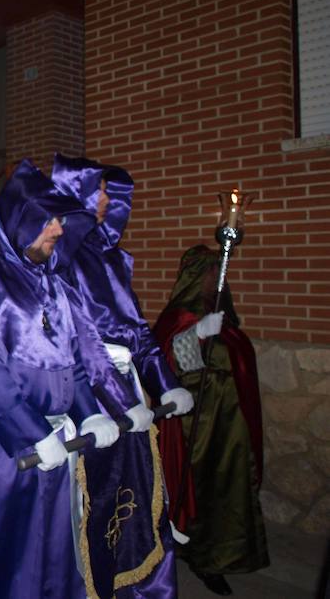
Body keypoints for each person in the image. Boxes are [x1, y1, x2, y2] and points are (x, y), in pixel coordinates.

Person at [0, 160, 144, 599]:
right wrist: (31, 433)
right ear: (19, 219)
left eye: (61, 219)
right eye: (49, 219)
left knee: (47, 554)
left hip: (52, 444)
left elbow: (77, 361)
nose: (59, 229)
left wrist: (88, 415)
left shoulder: (55, 285)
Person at [52, 154, 195, 598]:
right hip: (86, 394)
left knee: (139, 492)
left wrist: (165, 383)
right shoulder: (58, 258)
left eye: (109, 193)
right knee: (91, 504)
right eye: (98, 190)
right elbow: (78, 343)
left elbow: (136, 331)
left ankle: (138, 586)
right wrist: (114, 402)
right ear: (74, 192)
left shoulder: (110, 258)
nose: (106, 200)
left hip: (126, 387)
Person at [153, 245, 268, 595]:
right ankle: (199, 558)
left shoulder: (221, 317)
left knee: (226, 492)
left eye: (217, 274)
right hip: (196, 431)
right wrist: (197, 334)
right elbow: (169, 367)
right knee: (196, 492)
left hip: (229, 427)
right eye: (209, 274)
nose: (215, 281)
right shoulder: (180, 319)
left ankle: (220, 555)